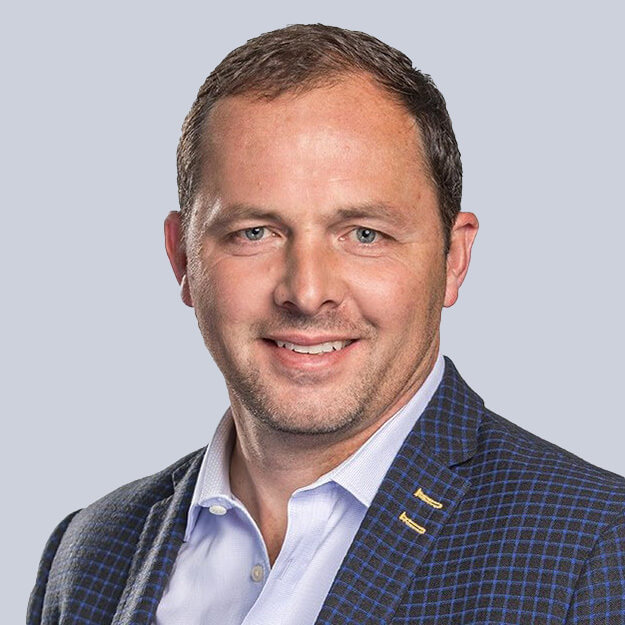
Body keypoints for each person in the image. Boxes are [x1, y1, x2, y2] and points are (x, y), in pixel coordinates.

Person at [28, 23, 625, 625]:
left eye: (364, 234)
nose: (308, 293)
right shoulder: (88, 552)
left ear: (454, 259)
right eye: (254, 233)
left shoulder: (595, 549)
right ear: (183, 258)